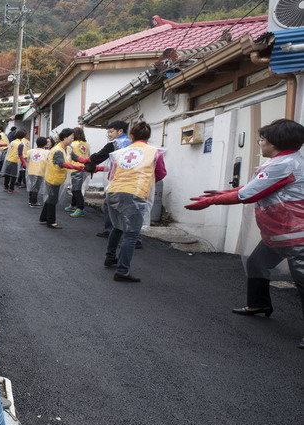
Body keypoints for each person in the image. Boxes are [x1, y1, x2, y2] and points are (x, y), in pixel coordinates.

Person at [185, 119, 304, 347]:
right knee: (257, 263)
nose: (260, 143)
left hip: (296, 234)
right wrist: (221, 193)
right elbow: (257, 187)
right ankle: (259, 304)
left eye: (262, 140)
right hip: (281, 233)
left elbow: (247, 195)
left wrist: (212, 201)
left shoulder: (283, 164)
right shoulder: (284, 161)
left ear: (275, 143)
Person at [103, 121, 166, 282]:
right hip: (135, 193)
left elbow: (112, 173)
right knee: (131, 234)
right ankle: (123, 271)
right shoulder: (154, 151)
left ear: (131, 135)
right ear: (149, 136)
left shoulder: (121, 152)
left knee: (117, 227)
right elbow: (160, 173)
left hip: (113, 191)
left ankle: (110, 257)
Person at [82, 120, 131, 237]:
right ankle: (134, 237)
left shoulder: (115, 143)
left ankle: (111, 231)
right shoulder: (131, 143)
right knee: (129, 208)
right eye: (108, 132)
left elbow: (98, 156)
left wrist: (87, 162)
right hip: (133, 181)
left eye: (111, 131)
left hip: (118, 180)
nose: (109, 134)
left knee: (109, 204)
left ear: (120, 131)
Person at [40, 129, 84, 229]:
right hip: (52, 178)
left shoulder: (68, 149)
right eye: (71, 137)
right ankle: (51, 221)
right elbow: (61, 163)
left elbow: (76, 158)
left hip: (58, 178)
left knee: (51, 198)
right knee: (53, 199)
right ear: (64, 137)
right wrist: (76, 167)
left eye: (73, 137)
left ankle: (43, 217)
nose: (72, 139)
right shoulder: (57, 150)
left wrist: (87, 161)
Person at [66, 127, 90, 217]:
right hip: (85, 168)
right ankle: (73, 204)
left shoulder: (72, 144)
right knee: (76, 187)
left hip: (75, 168)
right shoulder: (86, 145)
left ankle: (80, 208)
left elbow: (69, 155)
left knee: (76, 189)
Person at [23, 136, 50, 208]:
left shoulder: (30, 151)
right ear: (45, 144)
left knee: (32, 185)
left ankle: (30, 200)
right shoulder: (47, 152)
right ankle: (33, 201)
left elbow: (27, 160)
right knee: (36, 187)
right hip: (40, 171)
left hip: (31, 170)